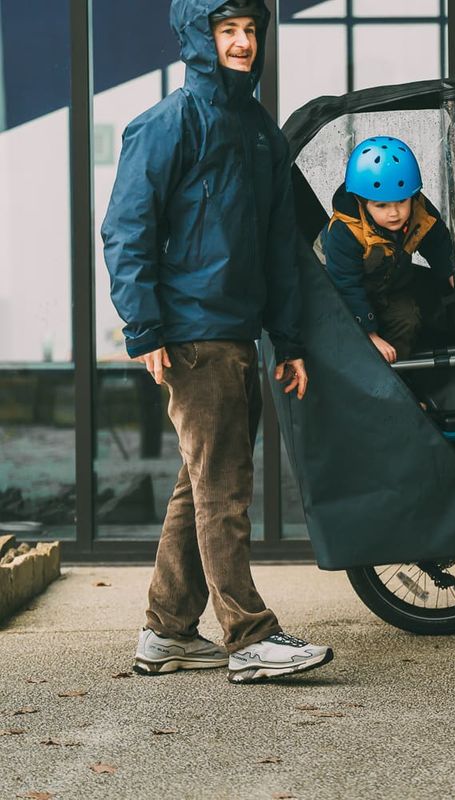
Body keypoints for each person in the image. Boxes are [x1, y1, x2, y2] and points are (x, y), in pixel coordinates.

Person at [102, 0, 333, 684]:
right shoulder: (167, 124)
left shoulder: (260, 132)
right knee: (224, 490)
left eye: (250, 30)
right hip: (191, 335)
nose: (242, 42)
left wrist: (287, 339)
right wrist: (144, 327)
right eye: (227, 29)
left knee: (200, 483)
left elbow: (280, 246)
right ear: (198, 37)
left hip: (238, 334)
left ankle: (167, 631)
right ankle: (249, 636)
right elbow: (127, 230)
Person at [321, 136, 455, 363]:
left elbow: (438, 243)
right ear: (361, 201)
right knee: (347, 338)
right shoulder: (345, 231)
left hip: (388, 287)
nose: (394, 213)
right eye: (381, 205)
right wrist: (370, 335)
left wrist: (451, 272)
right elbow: (345, 285)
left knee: (407, 319)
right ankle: (368, 377)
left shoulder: (419, 211)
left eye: (401, 202)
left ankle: (396, 381)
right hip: (338, 294)